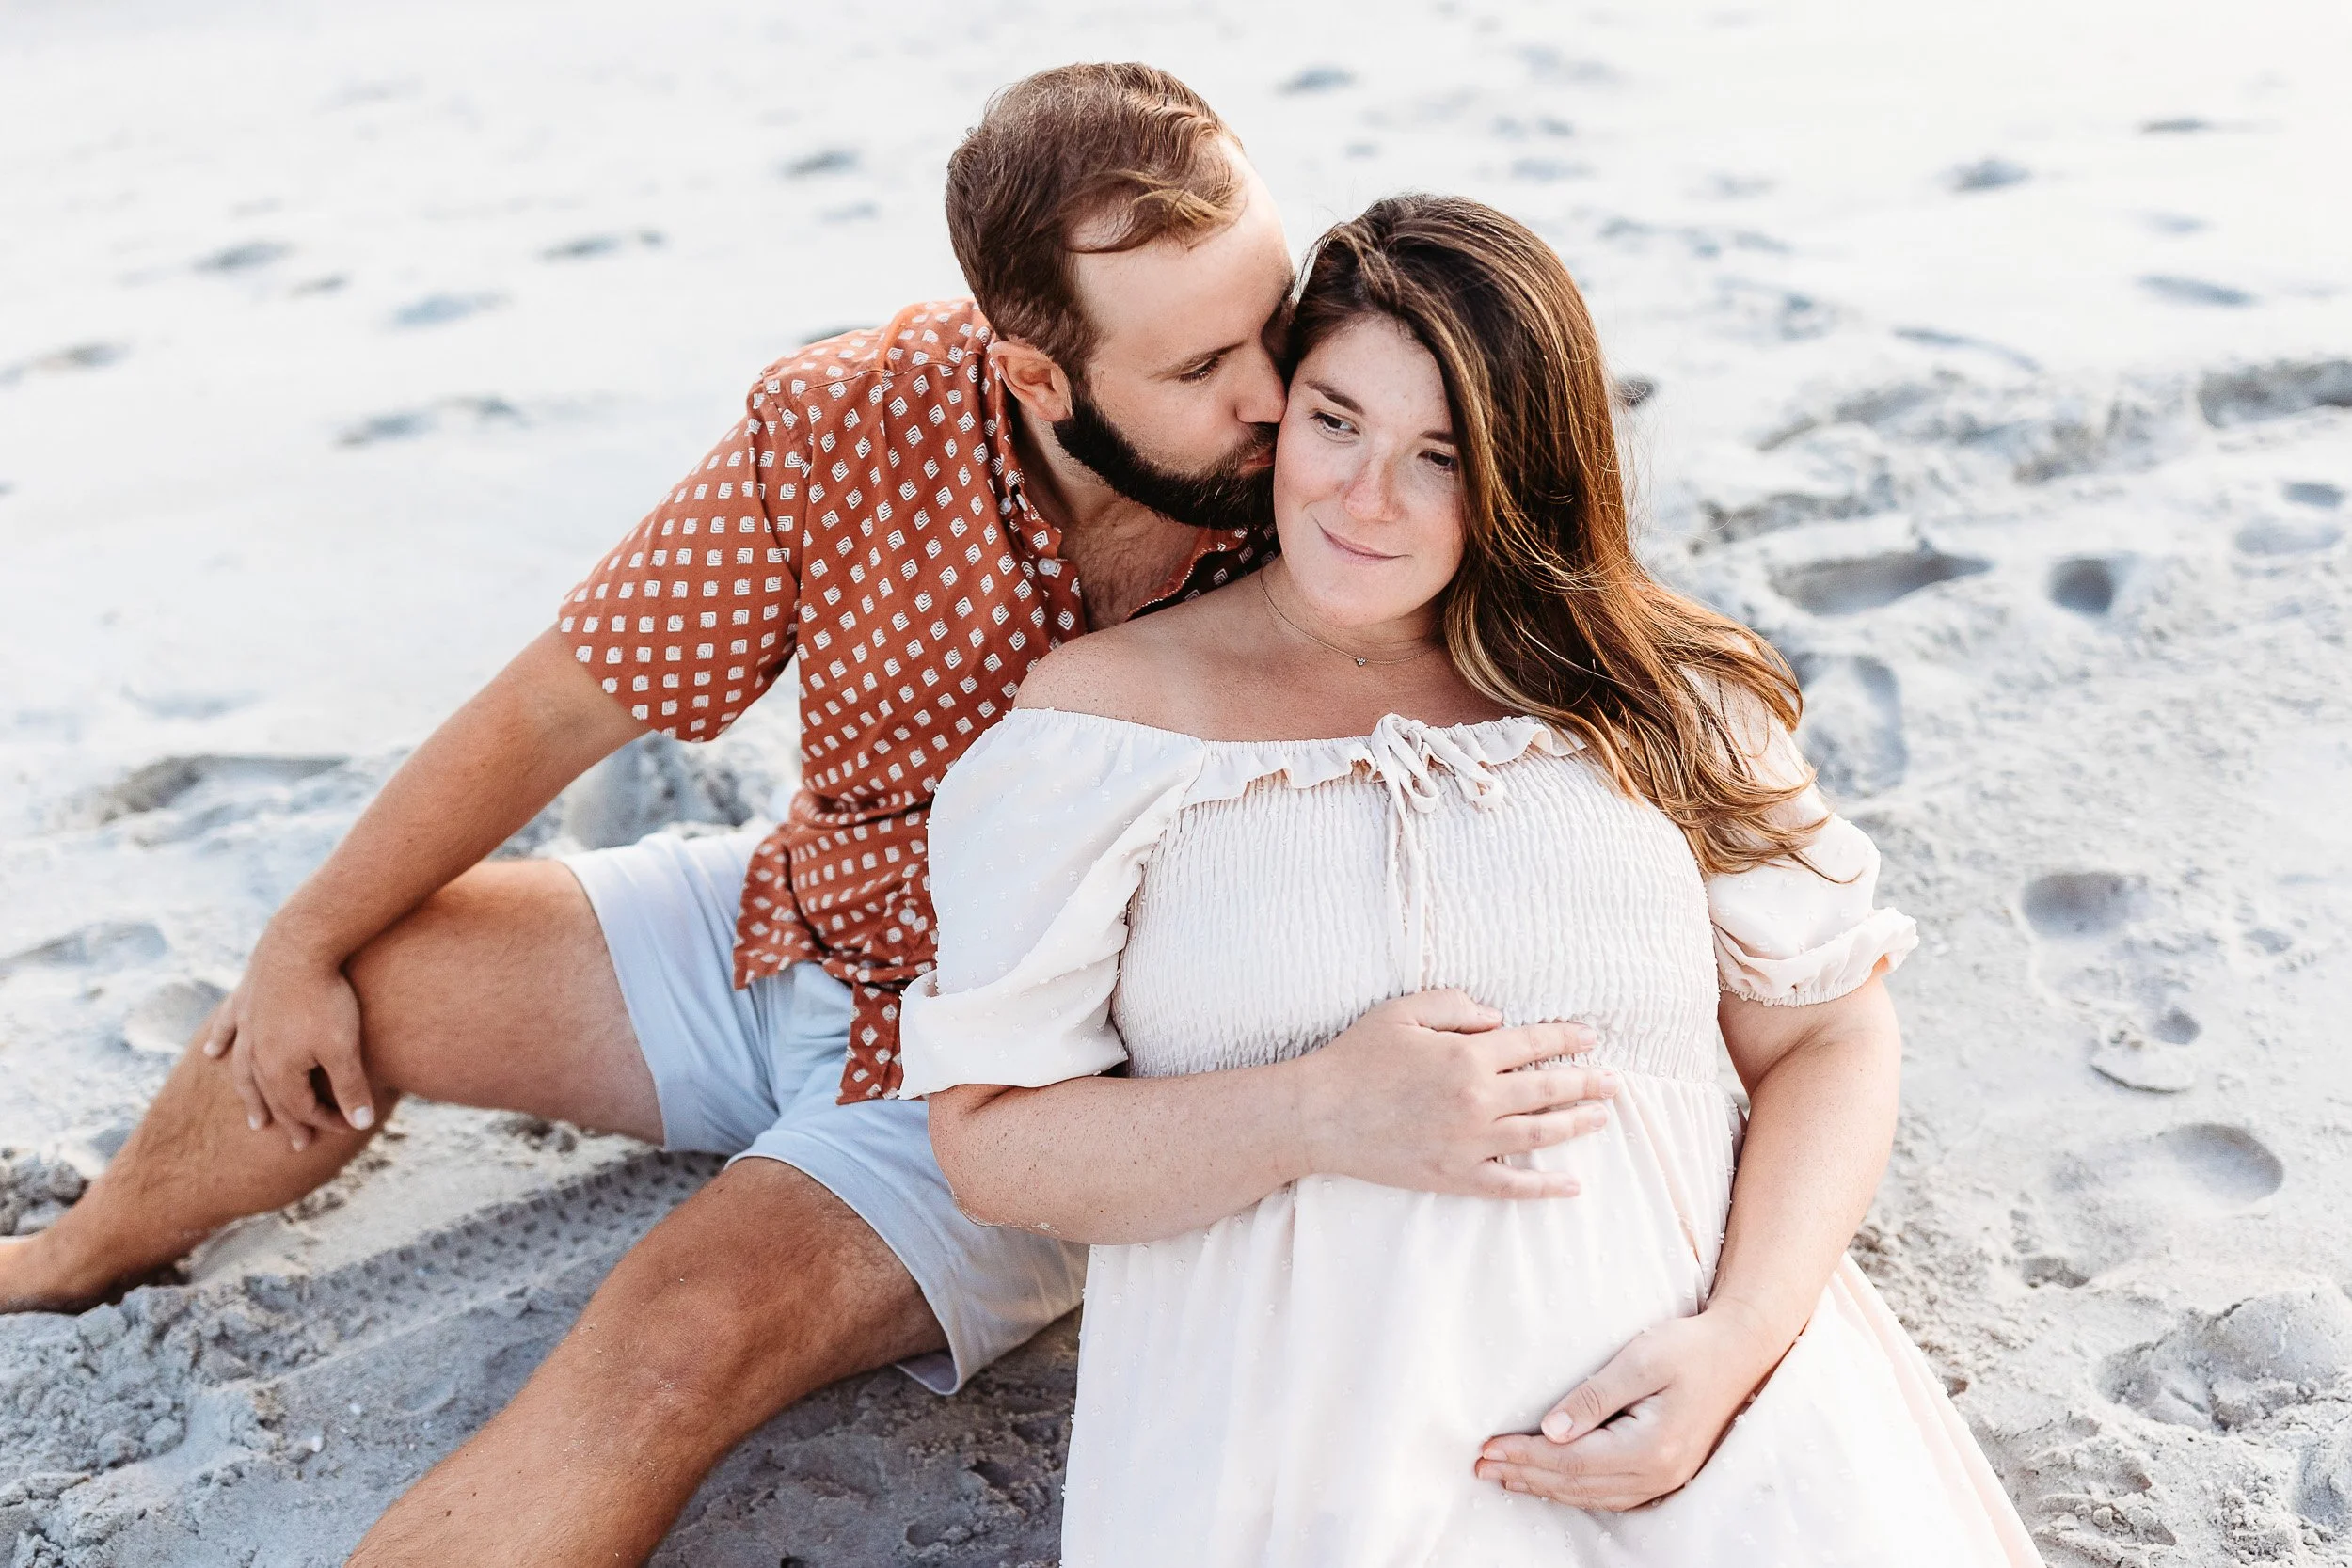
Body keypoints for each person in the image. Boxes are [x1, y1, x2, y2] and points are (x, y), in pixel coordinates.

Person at [0, 70, 1621, 1564]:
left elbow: (1550, 671)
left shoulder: (1333, 494)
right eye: (1201, 368)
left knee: (672, 1337)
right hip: (802, 919)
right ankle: (70, 1260)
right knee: (360, 968)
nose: (1280, 398)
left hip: (1026, 1076)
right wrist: (296, 938)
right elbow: (563, 705)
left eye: (1267, 326)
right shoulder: (851, 429)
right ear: (1033, 368)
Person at [903, 194, 2043, 1565]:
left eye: (1439, 456)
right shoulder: (1106, 727)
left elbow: (1829, 1029)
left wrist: (1736, 1343)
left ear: (1523, 473)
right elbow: (990, 1139)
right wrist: (1313, 1111)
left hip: (1715, 1420)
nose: (1363, 497)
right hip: (1310, 1462)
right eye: (1336, 422)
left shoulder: (1655, 693)